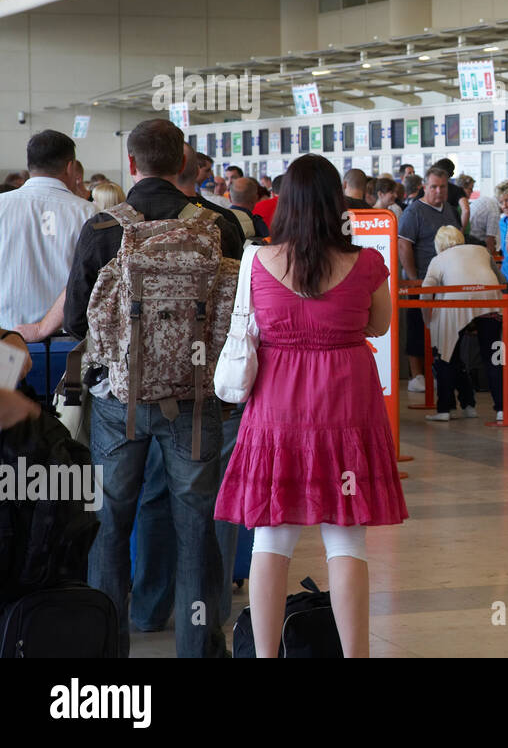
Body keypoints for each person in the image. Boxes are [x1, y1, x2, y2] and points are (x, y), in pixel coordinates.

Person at [215, 154, 407, 658]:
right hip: (346, 404)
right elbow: (380, 324)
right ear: (335, 203)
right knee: (346, 542)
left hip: (277, 408)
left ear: (284, 205)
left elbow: (248, 325)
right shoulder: (366, 263)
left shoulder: (257, 260)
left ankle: (264, 655)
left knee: (270, 541)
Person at [63, 119, 240, 658]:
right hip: (197, 398)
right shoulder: (220, 226)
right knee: (197, 527)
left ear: (132, 164)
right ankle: (197, 647)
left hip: (119, 400)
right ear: (184, 164)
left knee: (111, 524)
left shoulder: (101, 229)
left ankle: (104, 651)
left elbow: (77, 322)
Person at [0, 130, 95, 332]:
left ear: (29, 165)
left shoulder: (2, 205)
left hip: (8, 336)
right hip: (68, 339)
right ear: (70, 167)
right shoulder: (88, 212)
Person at [421, 226, 505, 423]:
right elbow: (501, 280)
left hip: (455, 308)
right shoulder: (481, 251)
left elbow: (425, 293)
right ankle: (502, 409)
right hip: (491, 304)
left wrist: (428, 321)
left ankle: (444, 409)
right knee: (493, 359)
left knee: (446, 357)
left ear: (438, 244)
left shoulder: (438, 259)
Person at [398, 166, 461, 392]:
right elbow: (403, 244)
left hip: (448, 282)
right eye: (433, 186)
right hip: (422, 281)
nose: (438, 191)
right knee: (417, 328)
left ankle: (441, 372)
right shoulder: (414, 212)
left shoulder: (450, 211)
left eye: (442, 187)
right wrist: (415, 278)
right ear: (424, 187)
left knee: (445, 330)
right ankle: (417, 376)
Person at [467, 181, 502, 252]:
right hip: (473, 243)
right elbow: (490, 241)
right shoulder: (495, 211)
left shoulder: (487, 200)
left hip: (468, 238)